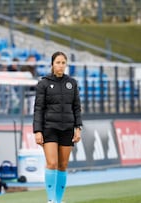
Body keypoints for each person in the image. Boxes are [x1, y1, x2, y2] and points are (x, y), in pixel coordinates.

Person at [33, 51, 82, 203]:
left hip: (67, 128)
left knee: (63, 165)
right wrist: (37, 131)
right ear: (52, 64)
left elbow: (76, 107)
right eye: (58, 62)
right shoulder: (43, 83)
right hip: (49, 128)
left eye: (63, 63)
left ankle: (59, 201)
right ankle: (51, 200)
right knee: (52, 163)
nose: (60, 66)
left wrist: (78, 128)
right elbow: (38, 109)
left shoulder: (72, 83)